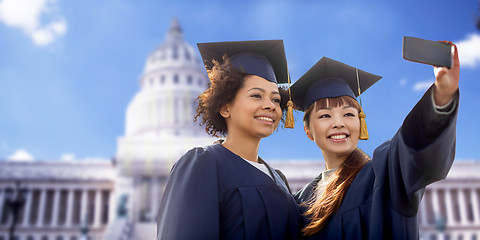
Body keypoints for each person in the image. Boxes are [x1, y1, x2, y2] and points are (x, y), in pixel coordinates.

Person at [291, 42, 459, 239]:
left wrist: (443, 95)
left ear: (361, 122)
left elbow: (412, 147)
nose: (339, 123)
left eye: (348, 114)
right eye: (325, 116)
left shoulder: (384, 172)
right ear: (308, 131)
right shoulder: (301, 200)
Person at [156, 40, 301, 240]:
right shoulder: (203, 165)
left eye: (276, 99)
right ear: (225, 107)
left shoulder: (279, 179)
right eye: (256, 96)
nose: (270, 105)